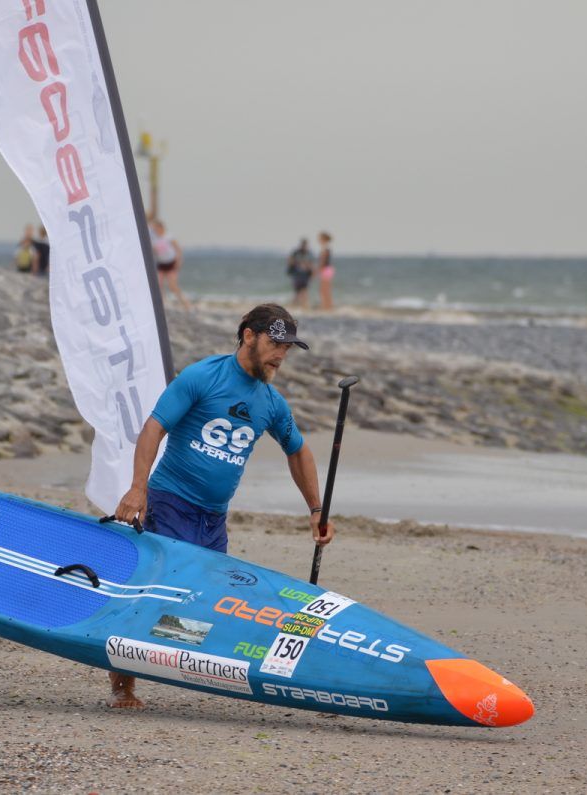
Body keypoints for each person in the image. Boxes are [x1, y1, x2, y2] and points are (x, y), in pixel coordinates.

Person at [110, 303, 334, 708]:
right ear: (248, 335)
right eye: (275, 343)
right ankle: (122, 686)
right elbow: (153, 428)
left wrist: (316, 509)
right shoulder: (203, 376)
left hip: (213, 517)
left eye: (287, 348)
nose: (281, 355)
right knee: (155, 593)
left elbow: (298, 452)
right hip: (172, 502)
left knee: (206, 598)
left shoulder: (270, 402)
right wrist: (137, 489)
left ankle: (174, 662)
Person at [150, 219, 190, 310]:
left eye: (157, 228)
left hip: (171, 263)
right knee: (159, 286)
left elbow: (178, 249)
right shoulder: (153, 238)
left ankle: (186, 304)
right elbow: (154, 250)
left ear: (161, 228)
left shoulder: (168, 236)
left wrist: (178, 261)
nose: (155, 230)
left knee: (173, 286)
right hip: (161, 264)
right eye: (154, 229)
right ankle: (162, 305)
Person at [286, 238, 313, 309]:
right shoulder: (296, 252)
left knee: (303, 291)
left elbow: (310, 265)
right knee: (298, 292)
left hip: (304, 275)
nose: (305, 246)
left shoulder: (308, 253)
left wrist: (309, 269)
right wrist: (298, 264)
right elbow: (290, 261)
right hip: (297, 275)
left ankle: (302, 306)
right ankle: (295, 306)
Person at [317, 231, 335, 310]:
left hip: (326, 270)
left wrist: (317, 270)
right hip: (327, 269)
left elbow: (323, 261)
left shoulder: (325, 248)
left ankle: (326, 306)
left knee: (324, 290)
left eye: (320, 238)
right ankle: (327, 306)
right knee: (325, 290)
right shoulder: (326, 248)